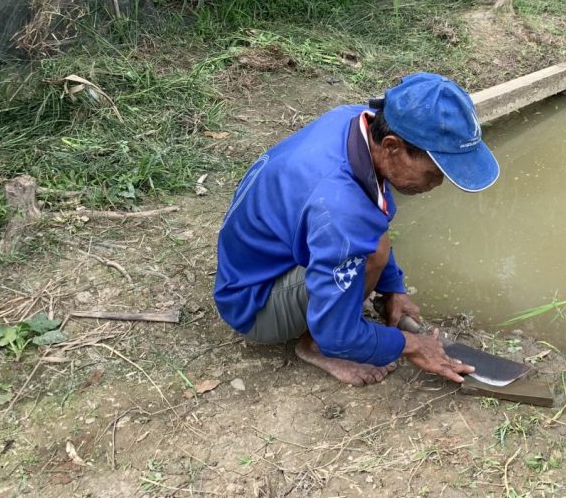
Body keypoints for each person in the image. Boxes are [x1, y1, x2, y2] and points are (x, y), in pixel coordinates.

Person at [214, 72, 500, 386]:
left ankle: (337, 304)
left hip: (258, 262)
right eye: (433, 172)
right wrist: (413, 345)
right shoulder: (341, 209)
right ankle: (313, 345)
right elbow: (340, 334)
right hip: (254, 305)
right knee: (373, 253)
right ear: (392, 146)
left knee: (371, 237)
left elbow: (374, 209)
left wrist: (393, 288)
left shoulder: (357, 122)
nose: (437, 184)